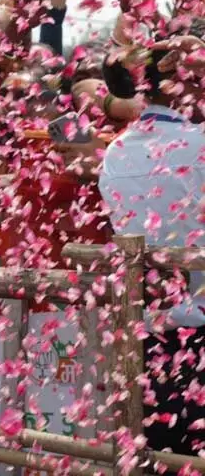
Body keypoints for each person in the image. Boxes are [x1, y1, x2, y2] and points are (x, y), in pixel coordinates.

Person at [99, 30, 205, 456]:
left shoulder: (115, 152)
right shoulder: (198, 144)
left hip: (148, 332)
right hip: (199, 332)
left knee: (159, 455)